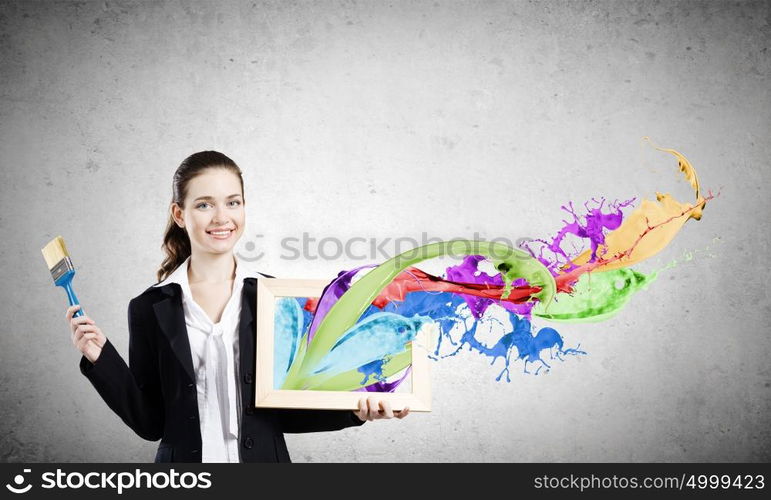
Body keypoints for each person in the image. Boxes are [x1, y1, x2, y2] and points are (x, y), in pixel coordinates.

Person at [66, 151, 409, 463]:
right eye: (204, 205)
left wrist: (354, 411)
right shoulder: (149, 307)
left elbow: (285, 412)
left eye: (233, 203)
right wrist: (101, 357)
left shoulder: (277, 299)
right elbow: (150, 422)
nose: (221, 218)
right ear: (179, 214)